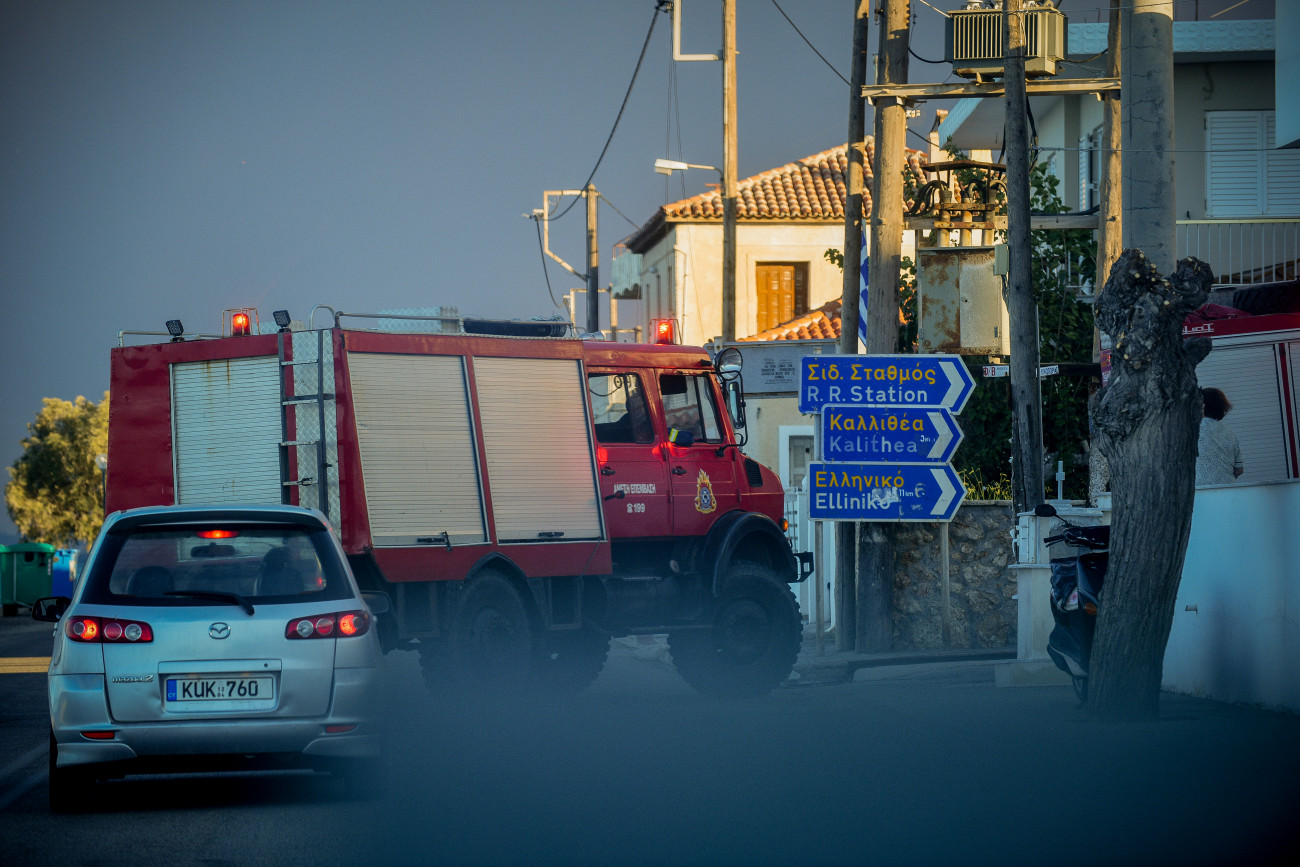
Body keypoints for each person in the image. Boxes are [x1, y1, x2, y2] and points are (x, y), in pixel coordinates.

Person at [1196, 387, 1243, 485]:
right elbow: (1239, 469)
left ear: (1202, 407)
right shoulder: (1230, 434)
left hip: (1200, 493)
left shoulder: (1192, 432)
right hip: (1229, 491)